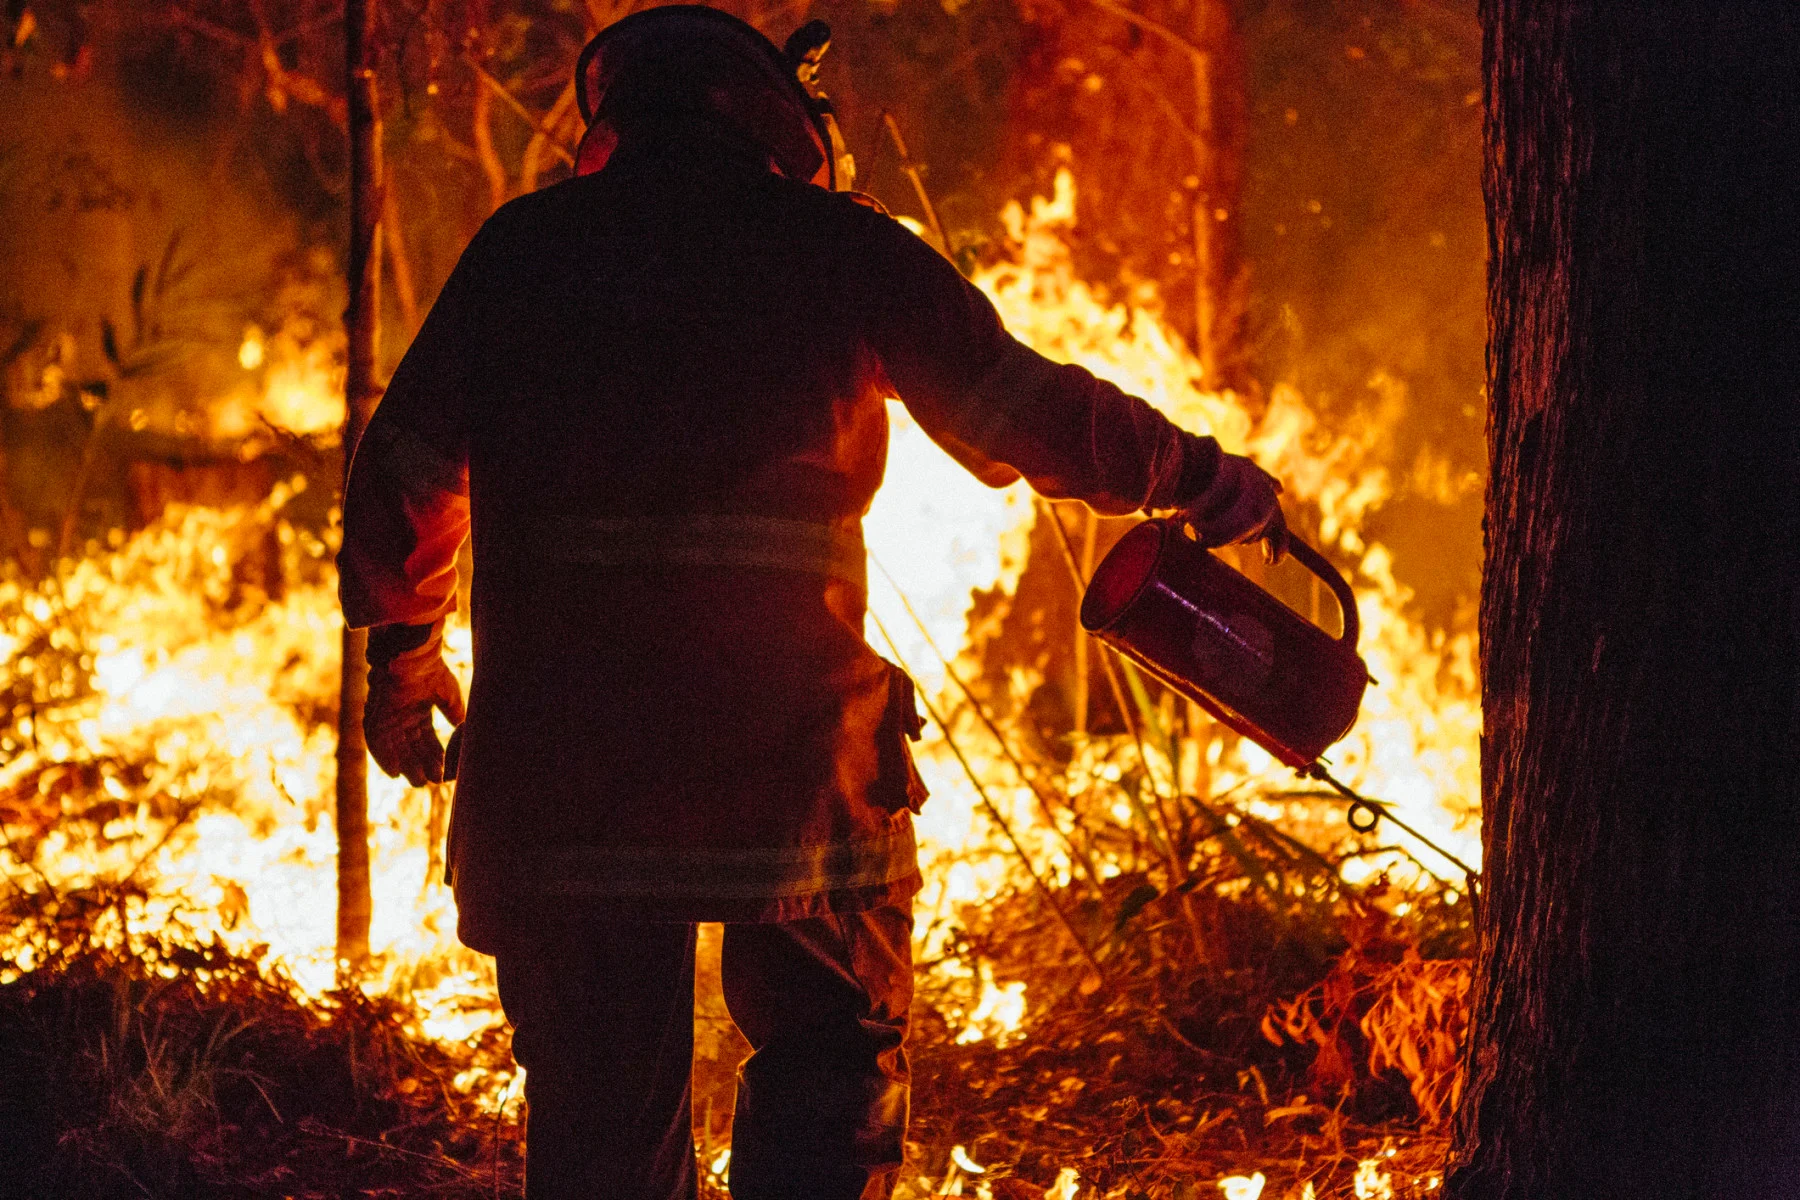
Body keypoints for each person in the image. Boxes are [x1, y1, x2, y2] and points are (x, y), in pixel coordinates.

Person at [337, 6, 1286, 1198]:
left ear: (616, 124)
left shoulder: (523, 252)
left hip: (564, 781)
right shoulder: (838, 247)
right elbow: (1022, 412)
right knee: (829, 1070)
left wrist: (406, 665)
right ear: (778, 123)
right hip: (787, 771)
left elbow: (408, 476)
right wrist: (1199, 478)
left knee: (598, 1122)